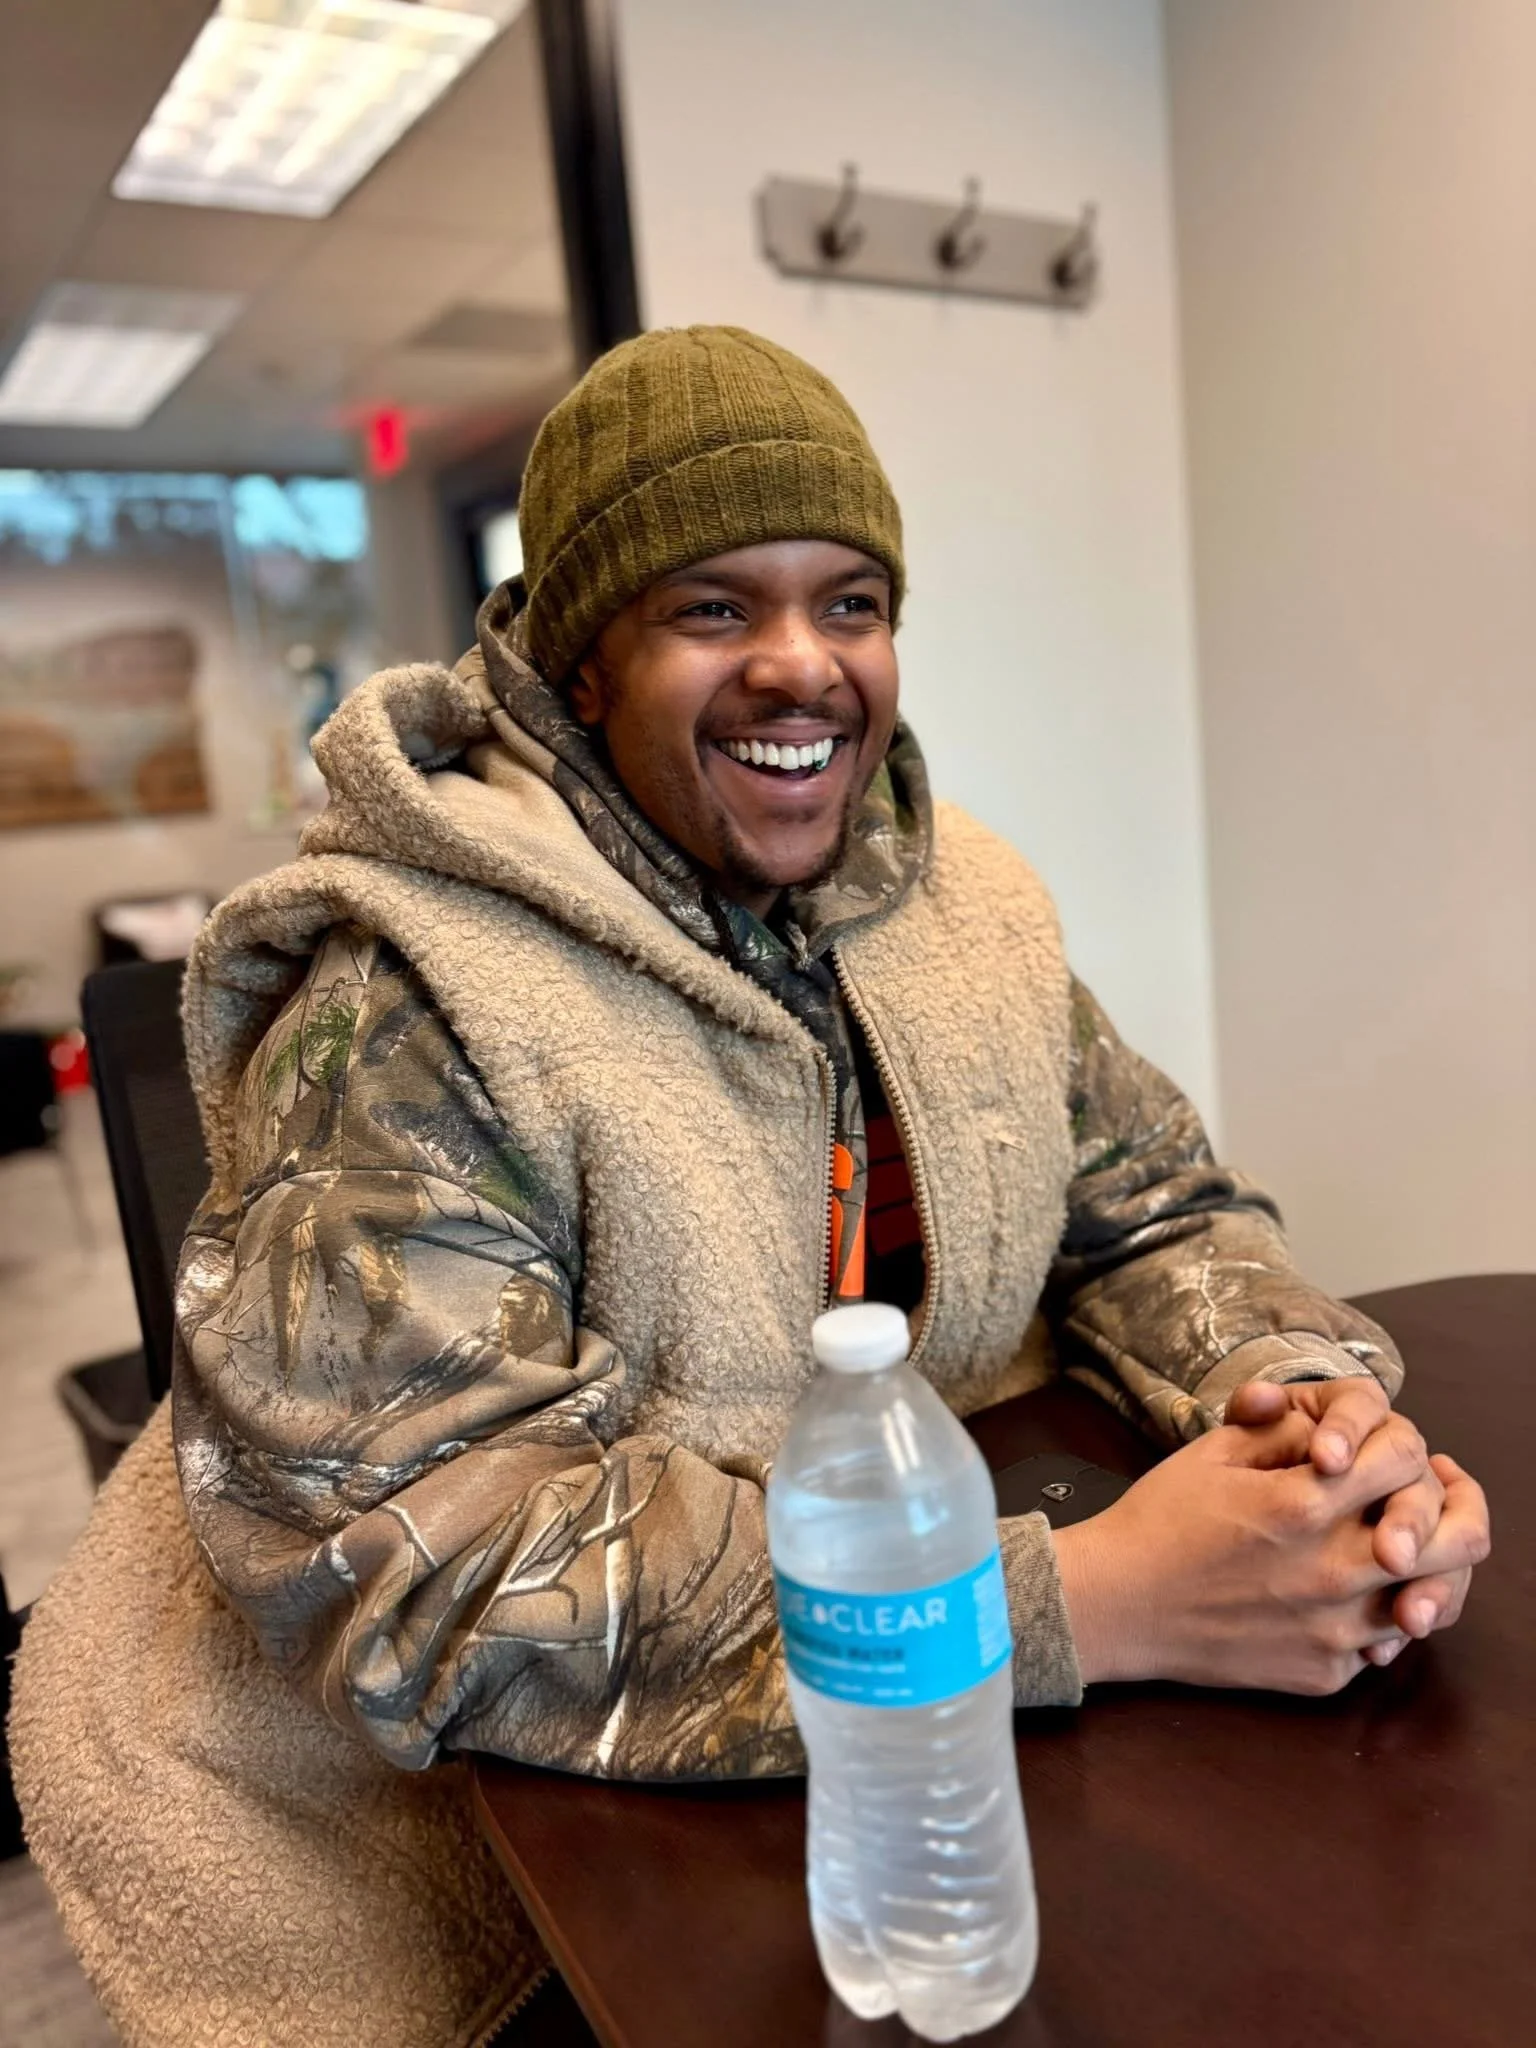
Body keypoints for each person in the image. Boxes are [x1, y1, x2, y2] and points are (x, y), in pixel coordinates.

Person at [13, 327, 1489, 2047]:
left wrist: (1312, 1421)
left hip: (859, 1712)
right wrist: (1081, 1604)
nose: (803, 666)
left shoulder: (967, 905)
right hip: (400, 1836)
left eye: (850, 603)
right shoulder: (415, 998)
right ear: (580, 666)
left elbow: (1156, 1204)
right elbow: (431, 1552)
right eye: (713, 609)